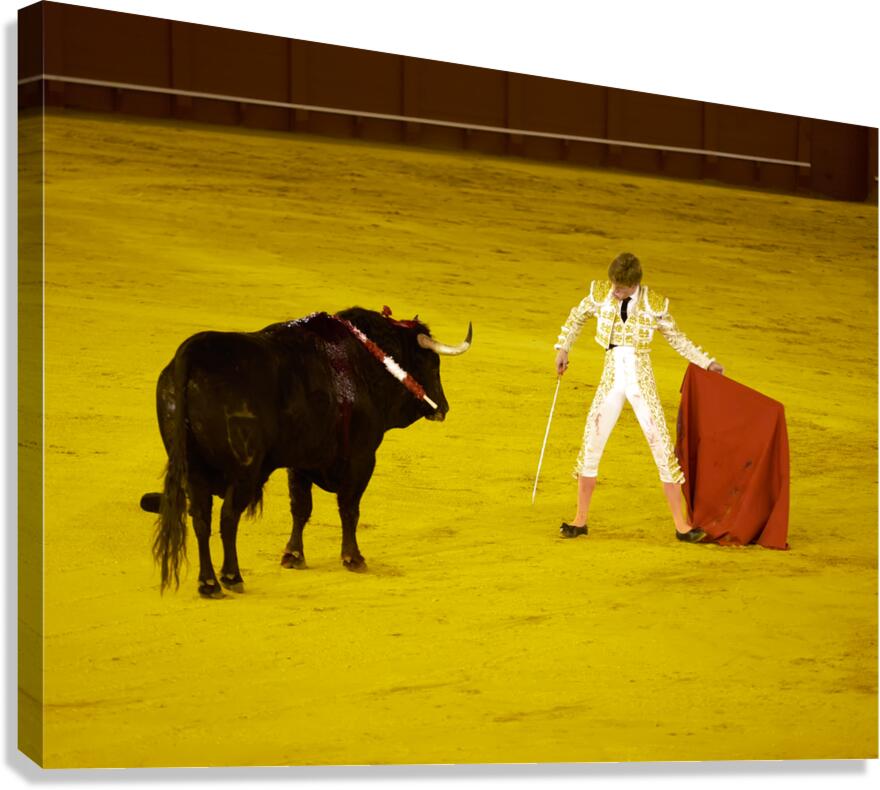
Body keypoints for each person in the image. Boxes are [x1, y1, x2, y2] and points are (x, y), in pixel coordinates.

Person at [553, 252, 724, 542]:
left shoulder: (654, 305)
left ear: (634, 285)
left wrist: (706, 362)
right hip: (611, 376)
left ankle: (681, 525)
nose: (614, 292)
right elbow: (577, 315)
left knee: (660, 445)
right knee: (590, 441)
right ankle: (580, 519)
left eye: (620, 288)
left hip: (640, 378)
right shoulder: (601, 294)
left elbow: (677, 338)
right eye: (613, 286)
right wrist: (563, 347)